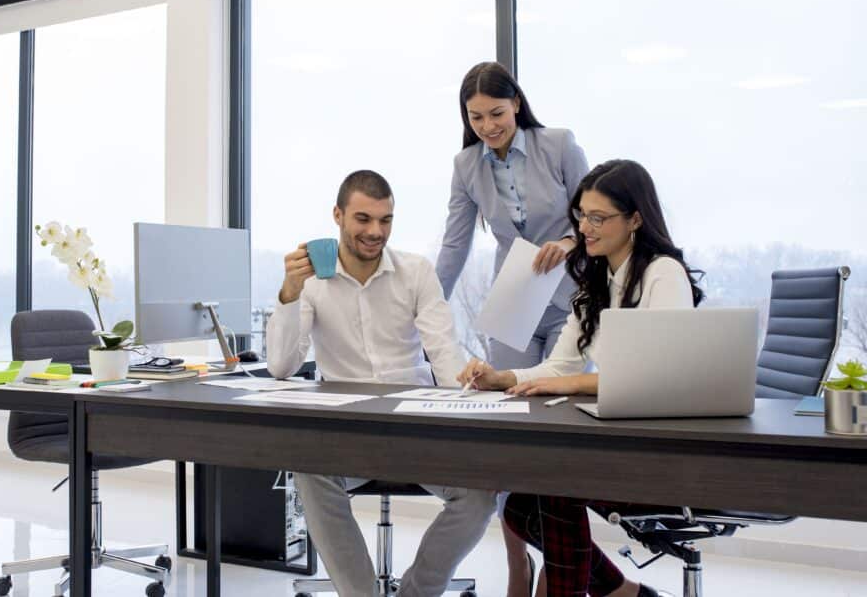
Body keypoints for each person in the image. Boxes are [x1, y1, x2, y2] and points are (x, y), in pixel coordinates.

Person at [458, 159, 703, 597]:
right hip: (620, 441)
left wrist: (571, 385)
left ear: (635, 219)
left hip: (664, 450)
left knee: (556, 484)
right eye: (581, 216)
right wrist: (501, 378)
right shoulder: (595, 282)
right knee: (518, 508)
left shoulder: (662, 273)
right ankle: (625, 594)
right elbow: (559, 367)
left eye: (598, 217)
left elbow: (657, 377)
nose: (584, 228)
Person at [267, 169, 496, 597]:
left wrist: (465, 401)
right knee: (307, 470)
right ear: (338, 215)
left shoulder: (415, 272)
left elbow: (443, 351)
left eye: (385, 220)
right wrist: (289, 293)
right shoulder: (312, 281)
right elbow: (281, 366)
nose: (376, 232)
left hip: (415, 426)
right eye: (364, 219)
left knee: (482, 493)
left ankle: (417, 591)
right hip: (347, 431)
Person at [436, 60, 589, 593]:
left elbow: (595, 217)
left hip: (573, 299)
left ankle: (560, 561)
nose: (487, 126)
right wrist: (426, 307)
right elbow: (456, 245)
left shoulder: (560, 145)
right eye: (476, 117)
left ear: (517, 104)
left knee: (561, 434)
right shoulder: (466, 165)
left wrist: (571, 241)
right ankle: (516, 560)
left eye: (496, 113)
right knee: (509, 432)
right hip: (515, 302)